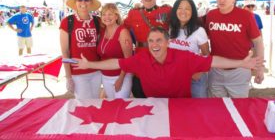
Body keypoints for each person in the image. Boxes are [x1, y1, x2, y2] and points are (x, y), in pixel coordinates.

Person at [73, 27, 262, 98]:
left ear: (168, 42)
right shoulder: (141, 58)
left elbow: (212, 61)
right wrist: (90, 64)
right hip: (154, 106)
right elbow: (116, 63)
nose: (154, 45)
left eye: (159, 40)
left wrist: (242, 63)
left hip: (181, 107)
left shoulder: (183, 57)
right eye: (151, 41)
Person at [205, 0, 264, 98]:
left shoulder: (246, 16)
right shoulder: (211, 15)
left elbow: (258, 42)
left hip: (240, 71)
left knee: (239, 108)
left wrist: (260, 68)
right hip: (216, 71)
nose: (221, 0)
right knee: (218, 108)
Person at [124, 0, 172, 97]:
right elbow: (120, 29)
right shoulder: (133, 13)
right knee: (140, 96)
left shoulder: (167, 11)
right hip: (141, 63)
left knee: (161, 99)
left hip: (161, 63)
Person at [59, 0, 102, 99]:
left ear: (91, 2)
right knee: (83, 105)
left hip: (96, 71)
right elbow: (65, 52)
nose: (83, 2)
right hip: (77, 73)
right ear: (76, 3)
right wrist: (68, 77)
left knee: (96, 101)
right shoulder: (67, 21)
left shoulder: (98, 21)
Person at [169, 0, 210, 97]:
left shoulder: (199, 31)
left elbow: (206, 55)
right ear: (175, 10)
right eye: (180, 8)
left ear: (193, 12)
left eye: (187, 8)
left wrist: (199, 73)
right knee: (178, 109)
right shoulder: (170, 29)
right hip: (175, 78)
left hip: (195, 78)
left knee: (198, 109)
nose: (183, 11)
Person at [97, 3, 133, 98]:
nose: (106, 17)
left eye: (110, 14)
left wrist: (120, 79)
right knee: (112, 105)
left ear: (116, 16)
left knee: (121, 106)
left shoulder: (122, 32)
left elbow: (128, 59)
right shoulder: (102, 31)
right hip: (106, 77)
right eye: (104, 14)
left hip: (121, 76)